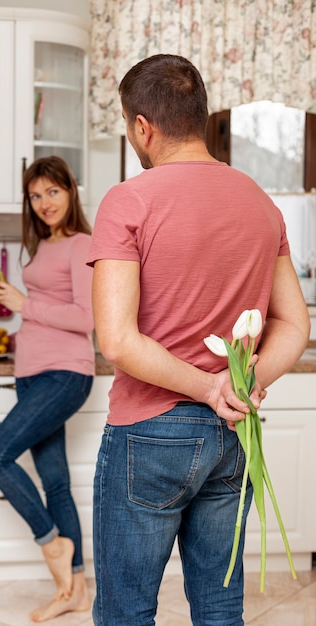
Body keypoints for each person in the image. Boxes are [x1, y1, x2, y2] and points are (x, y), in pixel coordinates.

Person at [87, 54, 310, 626]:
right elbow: (295, 325)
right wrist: (238, 387)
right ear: (201, 117)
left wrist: (211, 387)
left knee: (125, 613)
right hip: (234, 437)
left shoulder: (129, 200)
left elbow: (115, 339)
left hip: (151, 432)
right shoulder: (261, 203)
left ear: (143, 126)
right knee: (218, 610)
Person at [0, 156, 94, 623]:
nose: (44, 202)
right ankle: (76, 591)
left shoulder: (83, 244)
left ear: (70, 192)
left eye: (53, 191)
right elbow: (46, 309)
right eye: (35, 195)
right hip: (32, 372)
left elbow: (88, 320)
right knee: (56, 482)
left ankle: (52, 544)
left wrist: (28, 305)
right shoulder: (43, 247)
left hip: (65, 373)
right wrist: (23, 317)